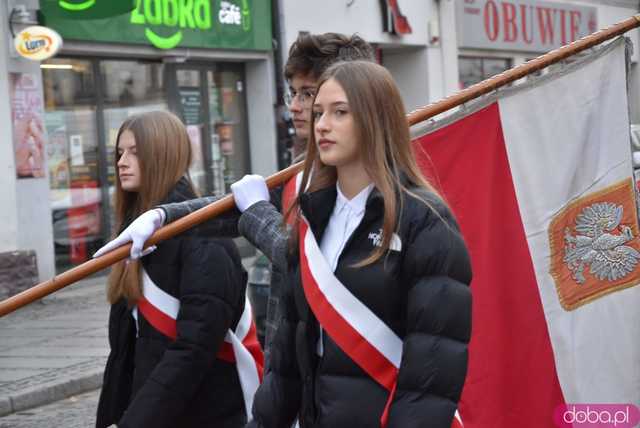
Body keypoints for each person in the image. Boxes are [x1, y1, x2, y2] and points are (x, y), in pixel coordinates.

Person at [94, 32, 375, 367]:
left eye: (308, 94)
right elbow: (228, 209)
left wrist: (257, 210)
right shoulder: (303, 171)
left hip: (351, 360)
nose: (296, 107)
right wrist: (162, 217)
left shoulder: (373, 187)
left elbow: (309, 262)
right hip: (296, 364)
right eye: (294, 93)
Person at [237, 61, 472, 427]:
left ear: (375, 119)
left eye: (340, 112)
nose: (322, 125)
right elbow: (285, 361)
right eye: (318, 113)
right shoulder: (309, 218)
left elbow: (433, 372)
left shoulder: (424, 221)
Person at [95, 111, 261, 428]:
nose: (121, 163)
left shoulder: (205, 239)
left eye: (134, 152)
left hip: (202, 414)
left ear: (164, 155)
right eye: (119, 153)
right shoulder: (137, 235)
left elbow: (193, 349)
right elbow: (125, 355)